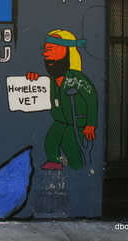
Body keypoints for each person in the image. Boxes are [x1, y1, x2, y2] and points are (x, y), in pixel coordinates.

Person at [26, 29, 97, 170]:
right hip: (60, 121)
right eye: (45, 50)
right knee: (51, 140)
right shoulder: (51, 79)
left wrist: (91, 124)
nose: (45, 54)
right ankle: (55, 161)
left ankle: (76, 166)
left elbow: (92, 98)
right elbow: (40, 84)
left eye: (50, 49)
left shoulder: (76, 78)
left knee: (70, 143)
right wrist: (33, 78)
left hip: (76, 122)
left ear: (66, 51)